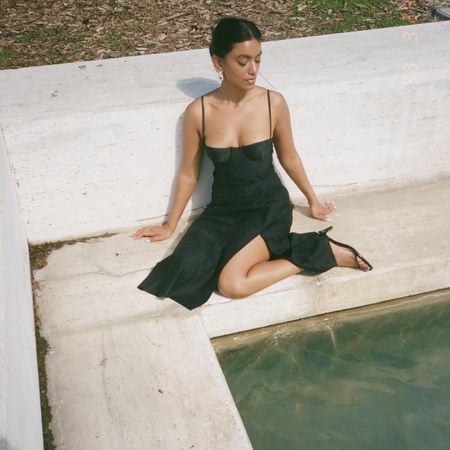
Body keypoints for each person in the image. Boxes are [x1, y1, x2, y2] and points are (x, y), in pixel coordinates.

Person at [131, 16, 373, 310]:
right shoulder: (199, 113)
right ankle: (296, 251)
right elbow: (188, 173)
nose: (253, 70)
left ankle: (320, 251)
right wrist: (170, 225)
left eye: (257, 59)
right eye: (242, 61)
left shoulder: (274, 103)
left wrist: (313, 200)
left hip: (267, 208)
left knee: (232, 284)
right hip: (224, 212)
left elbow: (289, 156)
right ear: (218, 63)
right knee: (185, 271)